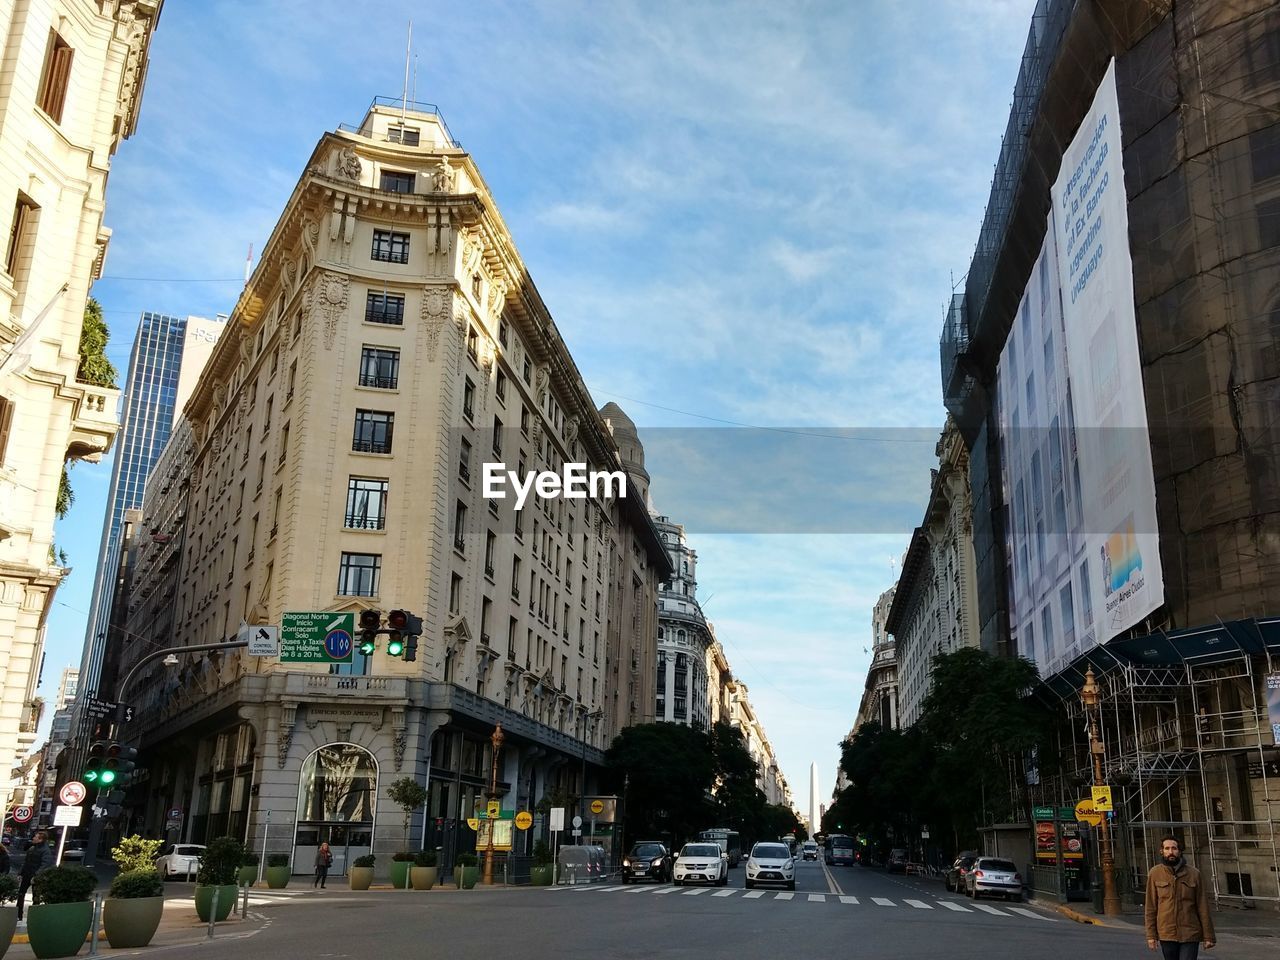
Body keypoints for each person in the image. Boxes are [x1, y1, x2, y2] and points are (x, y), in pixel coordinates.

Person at [1145, 835, 1215, 959]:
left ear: (1180, 851)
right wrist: (1151, 935)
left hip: (1190, 932)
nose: (1170, 852)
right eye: (1167, 849)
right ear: (1162, 851)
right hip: (1166, 933)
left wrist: (1208, 936)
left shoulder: (1194, 874)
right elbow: (1150, 907)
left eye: (1174, 848)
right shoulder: (1155, 873)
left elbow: (1202, 905)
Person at [17, 831, 54, 920]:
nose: (33, 838)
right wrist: (20, 873)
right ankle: (19, 915)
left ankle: (34, 917)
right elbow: (26, 862)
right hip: (27, 875)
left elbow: (45, 865)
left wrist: (36, 876)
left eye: (35, 837)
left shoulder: (45, 851)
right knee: (21, 894)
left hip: (36, 877)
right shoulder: (32, 848)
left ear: (40, 839)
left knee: (36, 897)